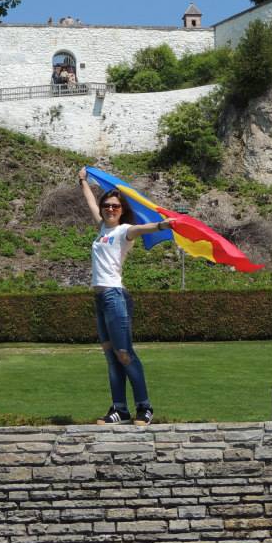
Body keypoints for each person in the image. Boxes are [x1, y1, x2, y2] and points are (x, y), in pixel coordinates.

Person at [79, 166, 174, 425]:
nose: (111, 209)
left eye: (116, 206)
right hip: (99, 299)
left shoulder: (124, 231)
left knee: (124, 353)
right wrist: (83, 182)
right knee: (111, 358)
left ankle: (144, 407)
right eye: (107, 205)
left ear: (122, 210)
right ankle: (119, 410)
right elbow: (90, 203)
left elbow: (145, 229)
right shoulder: (102, 229)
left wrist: (163, 224)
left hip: (114, 297)